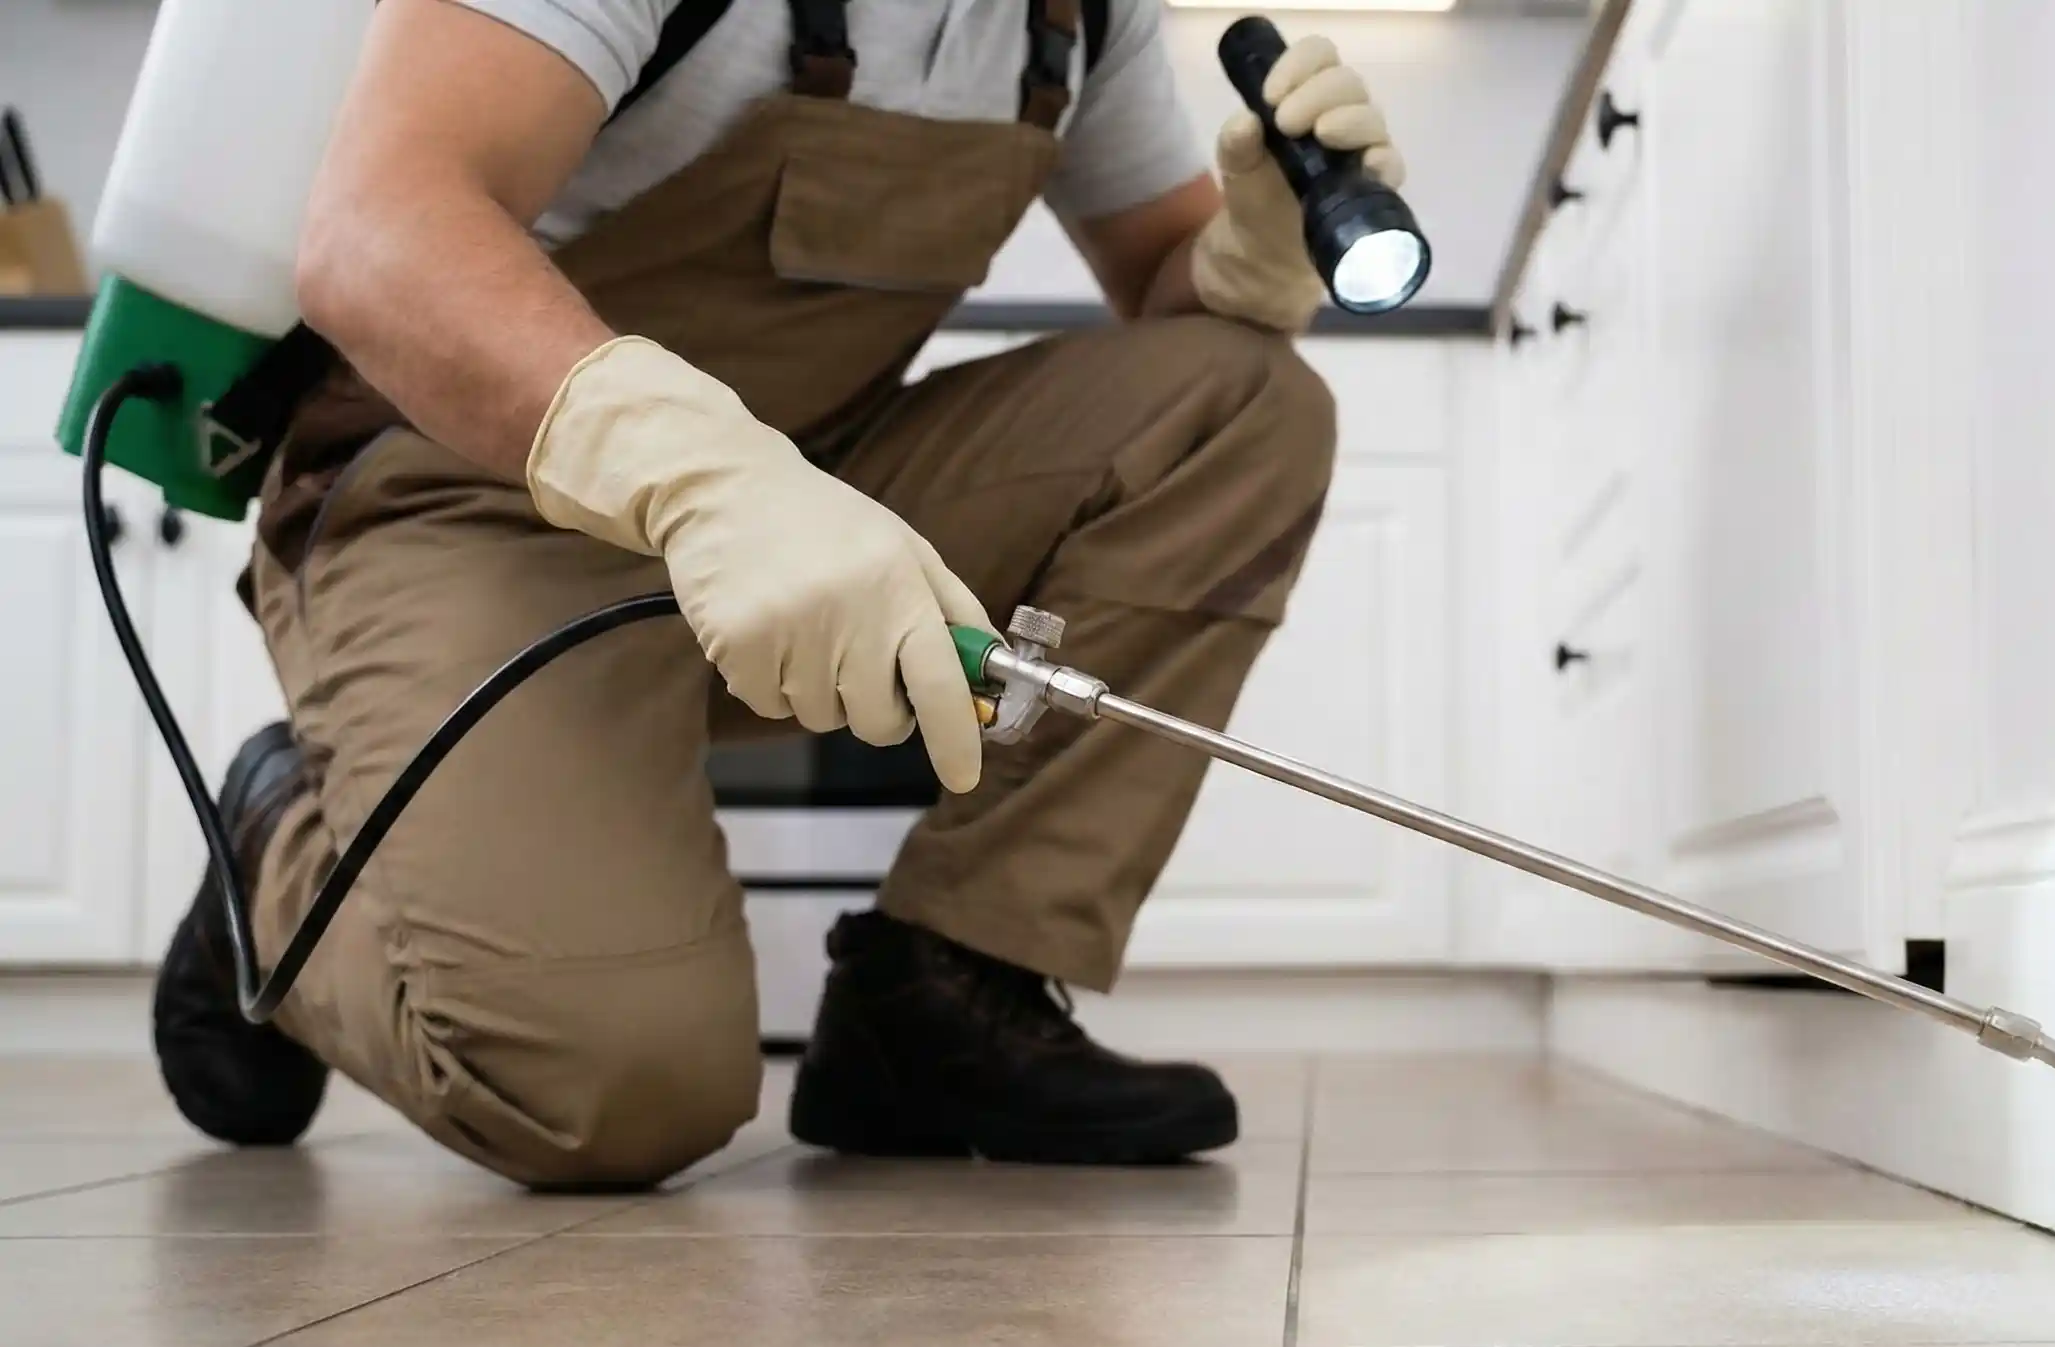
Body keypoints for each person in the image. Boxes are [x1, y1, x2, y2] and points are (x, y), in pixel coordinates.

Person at [150, 0, 1405, 1187]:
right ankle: (277, 847)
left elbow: (1166, 301)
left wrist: (1248, 255)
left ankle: (950, 997)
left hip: (800, 515)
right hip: (467, 507)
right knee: (611, 1088)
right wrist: (704, 480)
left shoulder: (1078, 18)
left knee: (1239, 406)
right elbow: (374, 230)